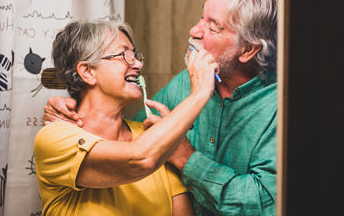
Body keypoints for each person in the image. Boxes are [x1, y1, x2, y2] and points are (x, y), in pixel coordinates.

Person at [43, 0, 278, 215]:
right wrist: (69, 108)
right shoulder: (184, 86)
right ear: (86, 71)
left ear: (248, 49)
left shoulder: (281, 108)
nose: (194, 31)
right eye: (201, 17)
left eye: (213, 26)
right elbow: (125, 134)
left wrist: (185, 156)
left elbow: (269, 204)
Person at [34, 19, 219, 215]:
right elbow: (139, 160)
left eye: (135, 55)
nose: (138, 64)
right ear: (87, 72)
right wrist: (200, 92)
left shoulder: (153, 138)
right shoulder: (53, 139)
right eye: (125, 56)